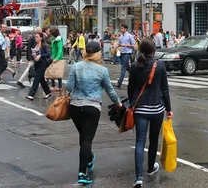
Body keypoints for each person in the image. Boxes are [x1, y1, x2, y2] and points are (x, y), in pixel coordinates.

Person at [65, 41, 122, 185]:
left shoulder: (76, 67)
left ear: (85, 53)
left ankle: (88, 159)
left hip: (75, 107)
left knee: (84, 137)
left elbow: (69, 87)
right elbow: (110, 90)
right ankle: (82, 172)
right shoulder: (102, 70)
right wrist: (118, 103)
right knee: (86, 139)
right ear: (98, 53)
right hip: (92, 107)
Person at [128, 38, 172, 188]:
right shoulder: (159, 65)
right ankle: (151, 167)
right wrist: (169, 109)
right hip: (157, 108)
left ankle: (138, 177)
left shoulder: (135, 66)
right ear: (153, 50)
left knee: (140, 141)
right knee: (153, 140)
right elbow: (165, 89)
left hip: (140, 108)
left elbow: (131, 88)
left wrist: (131, 104)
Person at [26, 32, 52, 100]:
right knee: (41, 79)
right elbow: (33, 52)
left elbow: (48, 54)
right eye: (35, 37)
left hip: (43, 64)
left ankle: (31, 95)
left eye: (37, 37)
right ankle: (48, 92)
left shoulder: (44, 46)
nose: (35, 38)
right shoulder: (35, 44)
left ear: (41, 38)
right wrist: (33, 55)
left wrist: (40, 55)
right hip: (36, 63)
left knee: (37, 78)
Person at [116, 23, 136, 89]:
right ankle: (134, 75)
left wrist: (126, 45)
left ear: (125, 29)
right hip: (122, 52)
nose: (121, 29)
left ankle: (119, 82)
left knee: (123, 68)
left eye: (122, 28)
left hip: (127, 53)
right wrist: (116, 47)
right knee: (127, 67)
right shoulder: (121, 36)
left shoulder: (130, 36)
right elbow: (119, 44)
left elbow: (134, 45)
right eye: (121, 28)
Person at [48, 27, 64, 91]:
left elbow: (60, 50)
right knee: (53, 71)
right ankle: (53, 85)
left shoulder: (58, 40)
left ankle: (59, 86)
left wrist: (57, 58)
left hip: (57, 58)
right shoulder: (55, 39)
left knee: (58, 72)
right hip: (53, 57)